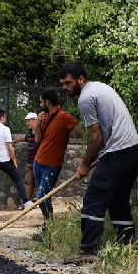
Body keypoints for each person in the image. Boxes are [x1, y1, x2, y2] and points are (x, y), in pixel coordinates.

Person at [60, 62, 138, 260]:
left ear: (81, 79)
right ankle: (127, 246)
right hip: (133, 149)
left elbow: (96, 137)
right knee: (118, 200)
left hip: (120, 150)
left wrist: (84, 164)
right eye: (63, 84)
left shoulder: (86, 98)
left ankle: (89, 250)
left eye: (68, 82)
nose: (65, 87)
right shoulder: (100, 87)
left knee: (94, 197)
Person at [32, 89, 78, 220]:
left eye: (41, 101)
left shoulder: (64, 116)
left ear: (47, 101)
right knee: (44, 198)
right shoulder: (45, 117)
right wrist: (37, 124)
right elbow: (37, 139)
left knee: (42, 197)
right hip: (38, 162)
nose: (40, 104)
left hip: (52, 165)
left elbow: (80, 130)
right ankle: (48, 227)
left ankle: (49, 225)